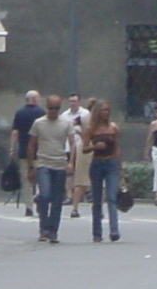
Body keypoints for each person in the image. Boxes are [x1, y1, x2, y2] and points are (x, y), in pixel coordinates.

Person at [27, 93, 79, 243]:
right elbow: (31, 145)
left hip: (60, 164)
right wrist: (31, 166)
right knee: (45, 195)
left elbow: (73, 143)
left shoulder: (66, 123)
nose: (54, 111)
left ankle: (52, 231)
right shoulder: (39, 123)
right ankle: (43, 227)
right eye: (51, 108)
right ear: (46, 107)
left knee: (57, 199)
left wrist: (71, 162)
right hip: (43, 163)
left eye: (57, 108)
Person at [86, 99, 123, 243]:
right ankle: (97, 232)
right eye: (103, 110)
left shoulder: (113, 128)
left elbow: (117, 147)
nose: (106, 113)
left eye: (107, 110)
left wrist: (120, 166)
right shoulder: (91, 129)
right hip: (96, 163)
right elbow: (84, 148)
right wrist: (95, 147)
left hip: (111, 163)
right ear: (97, 112)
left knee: (112, 197)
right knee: (97, 199)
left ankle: (114, 230)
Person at [11, 90, 46, 218]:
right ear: (35, 99)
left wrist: (12, 148)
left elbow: (15, 132)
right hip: (39, 151)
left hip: (24, 151)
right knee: (41, 178)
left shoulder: (19, 113)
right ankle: (40, 200)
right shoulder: (42, 113)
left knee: (26, 180)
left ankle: (29, 207)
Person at [67, 94, 91, 209]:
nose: (72, 103)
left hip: (84, 147)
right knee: (78, 176)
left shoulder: (84, 115)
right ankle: (73, 200)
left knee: (81, 177)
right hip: (80, 147)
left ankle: (77, 203)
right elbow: (69, 125)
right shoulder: (83, 117)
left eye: (74, 101)